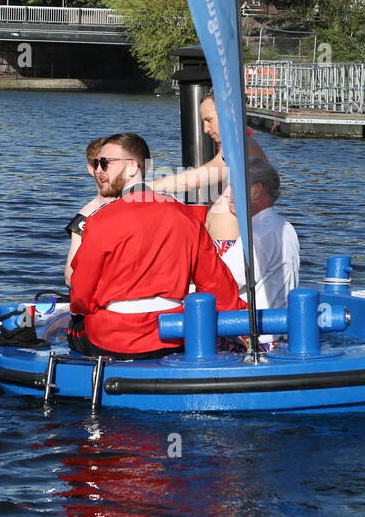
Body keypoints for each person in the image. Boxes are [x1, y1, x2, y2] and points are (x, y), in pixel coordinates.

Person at [69, 132, 245, 358]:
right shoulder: (185, 215)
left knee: (73, 325)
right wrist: (240, 323)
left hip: (115, 338)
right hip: (172, 334)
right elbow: (215, 281)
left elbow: (82, 291)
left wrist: (82, 311)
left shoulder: (100, 219)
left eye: (105, 163)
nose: (99, 170)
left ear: (132, 167)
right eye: (96, 163)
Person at [149, 90, 268, 243]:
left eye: (209, 120)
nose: (205, 129)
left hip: (230, 245)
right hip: (223, 242)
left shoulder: (239, 147)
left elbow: (193, 179)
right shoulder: (239, 145)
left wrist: (144, 186)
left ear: (227, 115)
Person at [220, 158, 300, 313]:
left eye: (233, 186)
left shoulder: (258, 234)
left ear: (256, 191)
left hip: (257, 333)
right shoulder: (284, 226)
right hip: (280, 327)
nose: (226, 194)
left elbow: (221, 282)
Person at [63, 136, 114, 286]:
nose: (104, 171)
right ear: (91, 169)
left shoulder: (140, 201)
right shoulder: (83, 218)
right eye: (99, 164)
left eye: (109, 164)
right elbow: (70, 276)